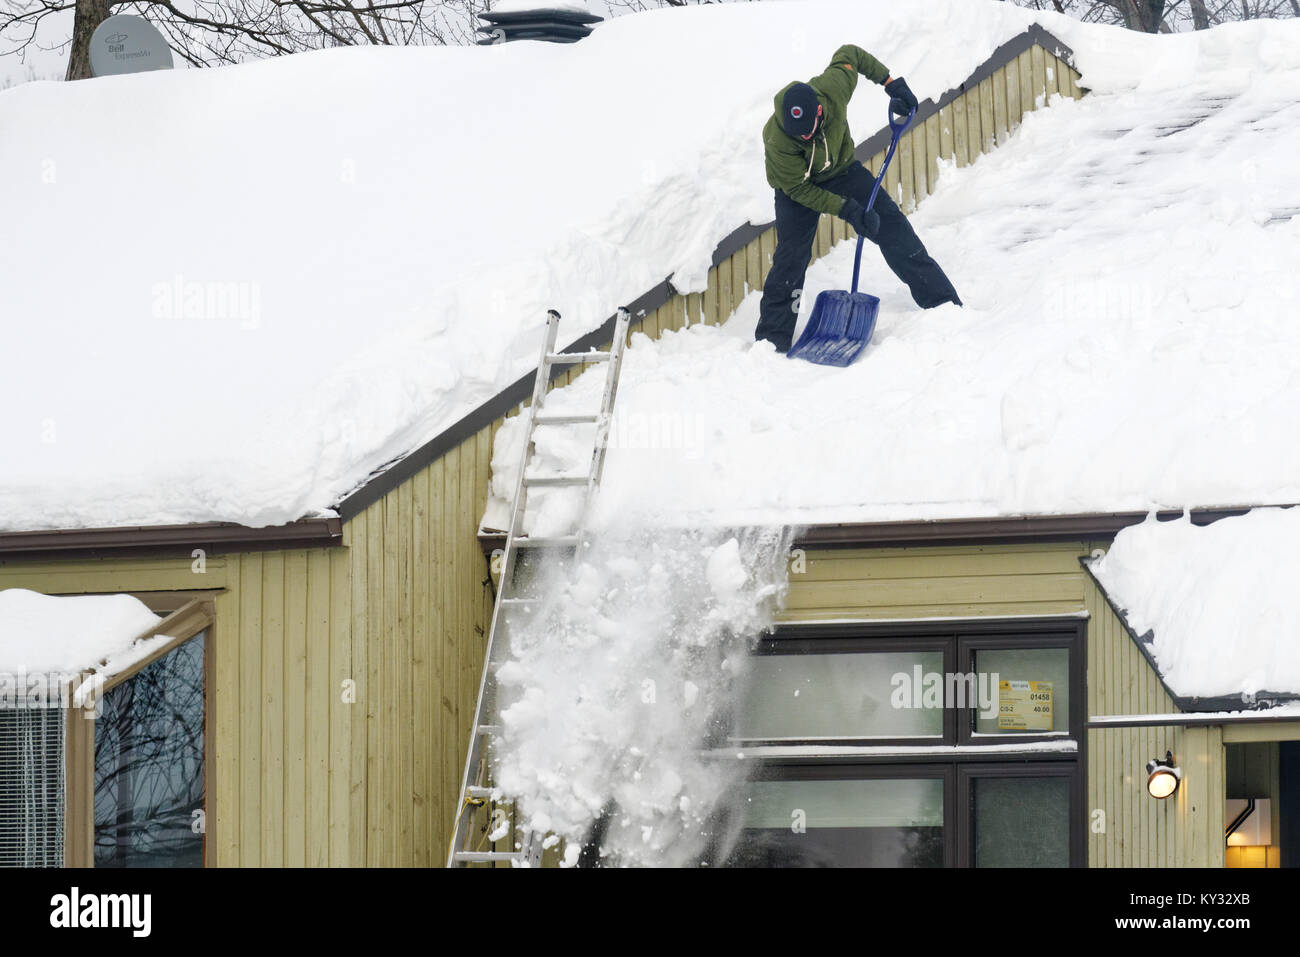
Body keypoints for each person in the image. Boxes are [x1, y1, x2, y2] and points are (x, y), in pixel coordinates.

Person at [756, 45, 962, 353]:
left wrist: (891, 82)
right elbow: (800, 190)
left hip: (841, 170)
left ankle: (942, 303)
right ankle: (772, 340)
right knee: (791, 257)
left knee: (892, 226)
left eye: (806, 132)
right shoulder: (777, 138)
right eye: (795, 134)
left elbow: (850, 54)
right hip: (796, 190)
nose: (801, 138)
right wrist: (846, 209)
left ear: (819, 112)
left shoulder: (833, 88)